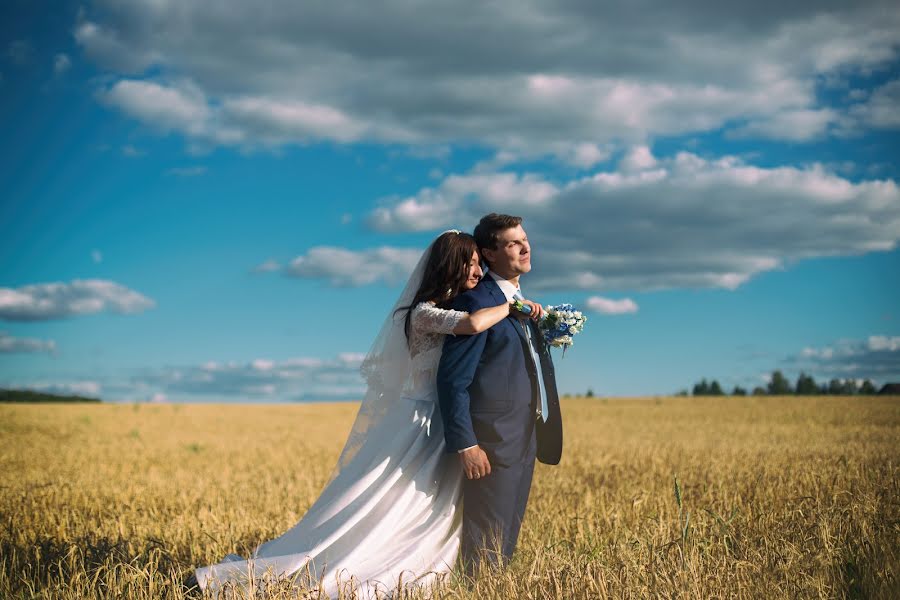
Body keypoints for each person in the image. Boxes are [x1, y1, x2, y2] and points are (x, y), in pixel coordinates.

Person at [188, 230, 543, 598]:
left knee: (425, 507)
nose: (476, 270)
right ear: (449, 267)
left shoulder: (465, 304)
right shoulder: (425, 313)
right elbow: (471, 325)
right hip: (420, 422)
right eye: (468, 263)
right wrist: (513, 304)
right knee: (384, 502)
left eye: (478, 263)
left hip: (442, 422)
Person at [436, 213, 563, 576]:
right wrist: (466, 444)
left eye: (524, 239)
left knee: (506, 540)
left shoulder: (523, 304)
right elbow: (453, 381)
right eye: (512, 243)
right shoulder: (475, 303)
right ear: (489, 253)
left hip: (526, 435)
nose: (525, 247)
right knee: (486, 543)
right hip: (491, 440)